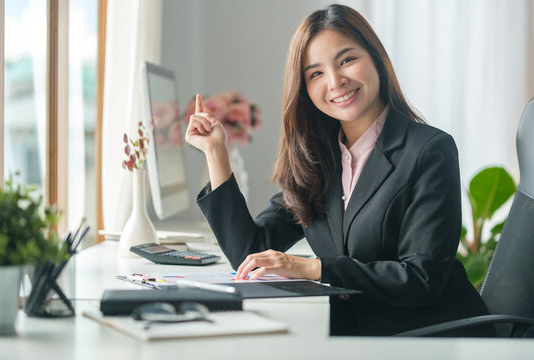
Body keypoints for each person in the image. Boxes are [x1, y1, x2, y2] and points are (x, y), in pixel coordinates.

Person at [185, 4, 493, 336]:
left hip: (433, 336)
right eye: (315, 73)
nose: (335, 81)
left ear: (376, 58)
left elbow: (421, 280)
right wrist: (216, 151)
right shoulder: (318, 159)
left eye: (347, 60)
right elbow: (250, 254)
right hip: (355, 336)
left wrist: (314, 268)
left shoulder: (429, 150)